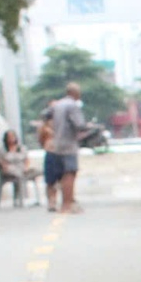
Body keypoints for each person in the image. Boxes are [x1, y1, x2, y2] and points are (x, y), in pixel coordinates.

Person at [48, 81, 87, 213]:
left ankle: (65, 203)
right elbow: (79, 124)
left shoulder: (57, 105)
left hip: (57, 143)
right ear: (75, 93)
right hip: (69, 144)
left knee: (63, 175)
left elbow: (45, 115)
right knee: (70, 173)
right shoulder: (72, 105)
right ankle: (67, 204)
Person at [0, 129, 38, 208]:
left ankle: (36, 199)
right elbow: (1, 161)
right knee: (16, 172)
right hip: (9, 169)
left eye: (13, 136)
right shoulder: (2, 150)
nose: (11, 138)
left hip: (21, 167)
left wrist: (26, 167)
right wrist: (4, 166)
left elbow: (26, 159)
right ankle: (18, 198)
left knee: (33, 172)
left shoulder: (21, 148)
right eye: (9, 137)